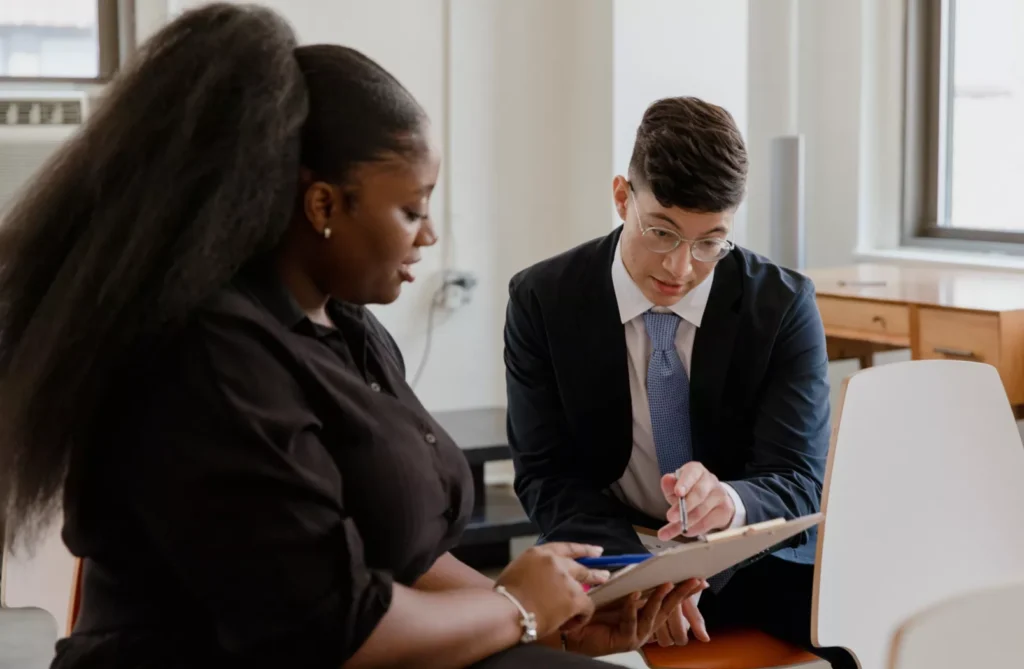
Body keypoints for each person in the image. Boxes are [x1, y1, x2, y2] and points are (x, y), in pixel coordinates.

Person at [0, 5, 703, 668]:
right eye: (410, 209)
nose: (429, 236)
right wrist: (513, 608)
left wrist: (560, 612)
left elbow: (403, 559)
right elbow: (332, 624)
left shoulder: (350, 330)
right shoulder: (209, 360)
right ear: (322, 204)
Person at [504, 97, 854, 667]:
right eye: (662, 233)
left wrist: (731, 501)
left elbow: (798, 478)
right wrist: (644, 576)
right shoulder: (543, 300)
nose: (681, 267)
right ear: (623, 197)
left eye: (710, 242)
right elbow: (547, 476)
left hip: (754, 556)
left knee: (871, 627)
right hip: (613, 551)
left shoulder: (783, 305)